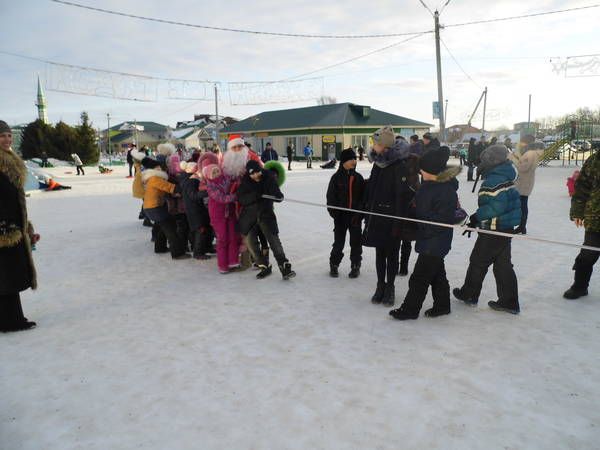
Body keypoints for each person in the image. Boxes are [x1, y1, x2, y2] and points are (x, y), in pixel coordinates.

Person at [390, 147, 460, 320]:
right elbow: (422, 206)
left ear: (432, 171)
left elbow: (441, 220)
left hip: (435, 240)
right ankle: (443, 306)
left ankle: (410, 310)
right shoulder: (430, 185)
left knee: (419, 278)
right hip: (429, 238)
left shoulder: (445, 190)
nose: (420, 171)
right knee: (437, 274)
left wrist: (420, 219)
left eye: (423, 169)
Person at [453, 144, 522, 314]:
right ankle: (509, 301)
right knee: (503, 265)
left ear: (491, 161)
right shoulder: (505, 175)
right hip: (505, 228)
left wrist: (476, 218)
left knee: (478, 261)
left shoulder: (494, 180)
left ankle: (469, 293)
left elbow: (495, 207)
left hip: (494, 229)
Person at [363, 126, 419, 307]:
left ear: (384, 146)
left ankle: (390, 287)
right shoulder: (378, 164)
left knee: (392, 255)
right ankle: (380, 285)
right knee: (380, 253)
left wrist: (398, 221)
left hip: (393, 218)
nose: (373, 146)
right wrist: (366, 209)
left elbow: (402, 196)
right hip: (377, 216)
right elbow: (372, 188)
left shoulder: (398, 165)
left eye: (375, 143)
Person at [0, 120, 39, 332]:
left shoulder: (10, 162)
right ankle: (9, 321)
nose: (6, 139)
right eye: (1, 136)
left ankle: (14, 318)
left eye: (8, 136)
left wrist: (26, 225)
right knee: (6, 274)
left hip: (14, 226)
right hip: (5, 229)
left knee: (10, 274)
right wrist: (5, 226)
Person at [237, 160, 296, 280]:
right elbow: (241, 199)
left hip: (266, 214)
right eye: (252, 174)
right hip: (249, 216)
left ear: (261, 170)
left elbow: (275, 192)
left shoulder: (269, 178)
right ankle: (263, 265)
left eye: (257, 172)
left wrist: (278, 196)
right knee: (250, 242)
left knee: (274, 240)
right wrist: (255, 195)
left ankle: (284, 265)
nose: (255, 176)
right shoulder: (245, 182)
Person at [563, 151, 600, 300]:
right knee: (587, 255)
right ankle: (579, 286)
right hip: (596, 218)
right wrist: (578, 212)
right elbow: (582, 186)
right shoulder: (596, 159)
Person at [140, 157, 190, 260]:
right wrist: (183, 187)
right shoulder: (155, 179)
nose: (161, 168)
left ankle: (160, 247)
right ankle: (177, 253)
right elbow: (169, 187)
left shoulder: (152, 178)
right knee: (170, 228)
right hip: (154, 207)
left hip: (153, 206)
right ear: (154, 169)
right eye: (158, 167)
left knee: (162, 226)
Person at [326, 148, 365, 279]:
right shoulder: (336, 178)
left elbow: (363, 199)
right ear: (344, 161)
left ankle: (355, 265)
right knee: (338, 243)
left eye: (355, 158)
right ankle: (334, 264)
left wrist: (359, 215)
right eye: (351, 159)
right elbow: (330, 199)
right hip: (340, 218)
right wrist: (336, 215)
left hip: (355, 218)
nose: (354, 161)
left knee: (356, 242)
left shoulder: (358, 178)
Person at [510, 135, 544, 235]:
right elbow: (524, 164)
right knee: (523, 205)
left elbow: (522, 168)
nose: (520, 144)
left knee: (522, 206)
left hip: (524, 182)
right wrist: (517, 156)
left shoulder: (530, 153)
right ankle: (521, 226)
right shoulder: (531, 153)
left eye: (522, 142)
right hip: (526, 181)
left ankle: (521, 226)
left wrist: (513, 159)